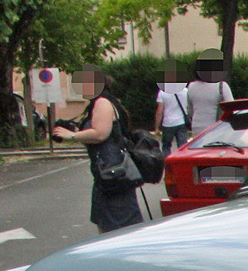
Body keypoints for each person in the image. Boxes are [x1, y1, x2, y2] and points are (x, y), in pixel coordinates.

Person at [51, 67, 143, 233]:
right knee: (112, 226)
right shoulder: (99, 103)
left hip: (113, 174)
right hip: (108, 175)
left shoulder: (102, 103)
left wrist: (71, 135)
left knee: (118, 229)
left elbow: (100, 133)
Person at [184, 60, 234, 134]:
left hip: (196, 127)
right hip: (216, 127)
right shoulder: (221, 86)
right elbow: (232, 107)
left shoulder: (191, 86)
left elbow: (190, 111)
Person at [155, 81, 189, 152]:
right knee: (182, 147)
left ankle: (168, 161)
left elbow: (159, 111)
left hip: (168, 123)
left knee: (166, 146)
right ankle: (181, 161)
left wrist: (157, 127)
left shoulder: (163, 92)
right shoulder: (185, 91)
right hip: (181, 122)